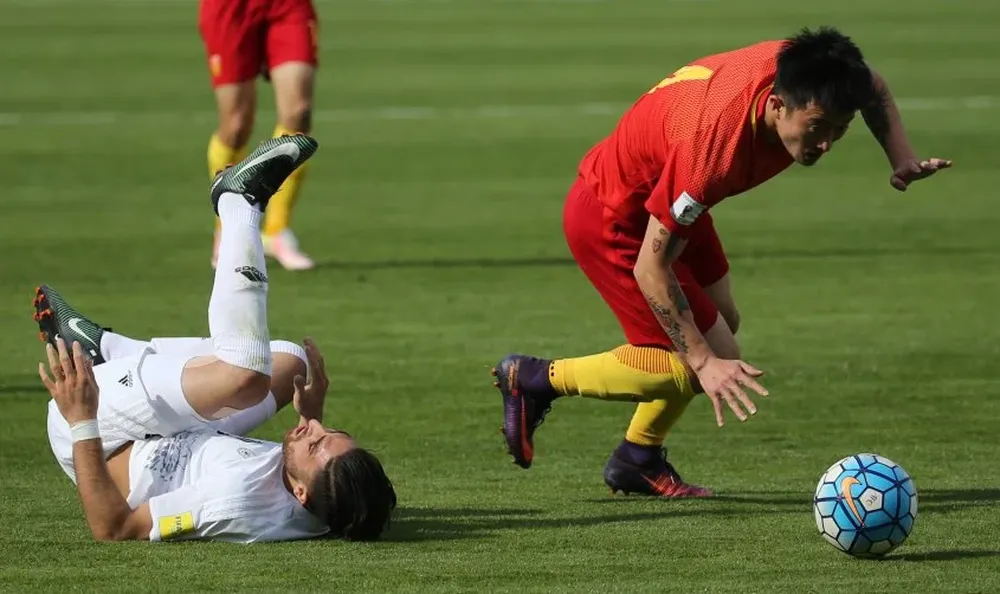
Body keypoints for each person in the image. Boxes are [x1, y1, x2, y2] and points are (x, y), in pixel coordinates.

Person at [492, 27, 952, 498]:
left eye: (839, 129)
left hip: (668, 197)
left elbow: (872, 86)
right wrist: (702, 361)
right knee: (703, 362)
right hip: (615, 215)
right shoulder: (714, 149)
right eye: (817, 127)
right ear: (776, 104)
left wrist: (901, 158)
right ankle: (534, 379)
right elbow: (651, 269)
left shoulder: (812, 73)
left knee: (723, 321)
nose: (827, 143)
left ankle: (637, 458)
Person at [36, 135, 396, 542]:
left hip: (104, 430)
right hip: (172, 429)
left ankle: (238, 203)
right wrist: (310, 416)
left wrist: (82, 419)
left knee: (245, 376)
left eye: (315, 444)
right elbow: (337, 494)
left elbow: (115, 528)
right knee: (293, 363)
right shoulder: (322, 501)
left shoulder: (236, 500)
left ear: (299, 493)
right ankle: (111, 351)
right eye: (329, 432)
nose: (313, 429)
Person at [199, 0, 320, 270]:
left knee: (298, 113)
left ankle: (276, 231)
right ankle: (228, 229)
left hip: (287, 6)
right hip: (230, 8)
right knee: (236, 125)